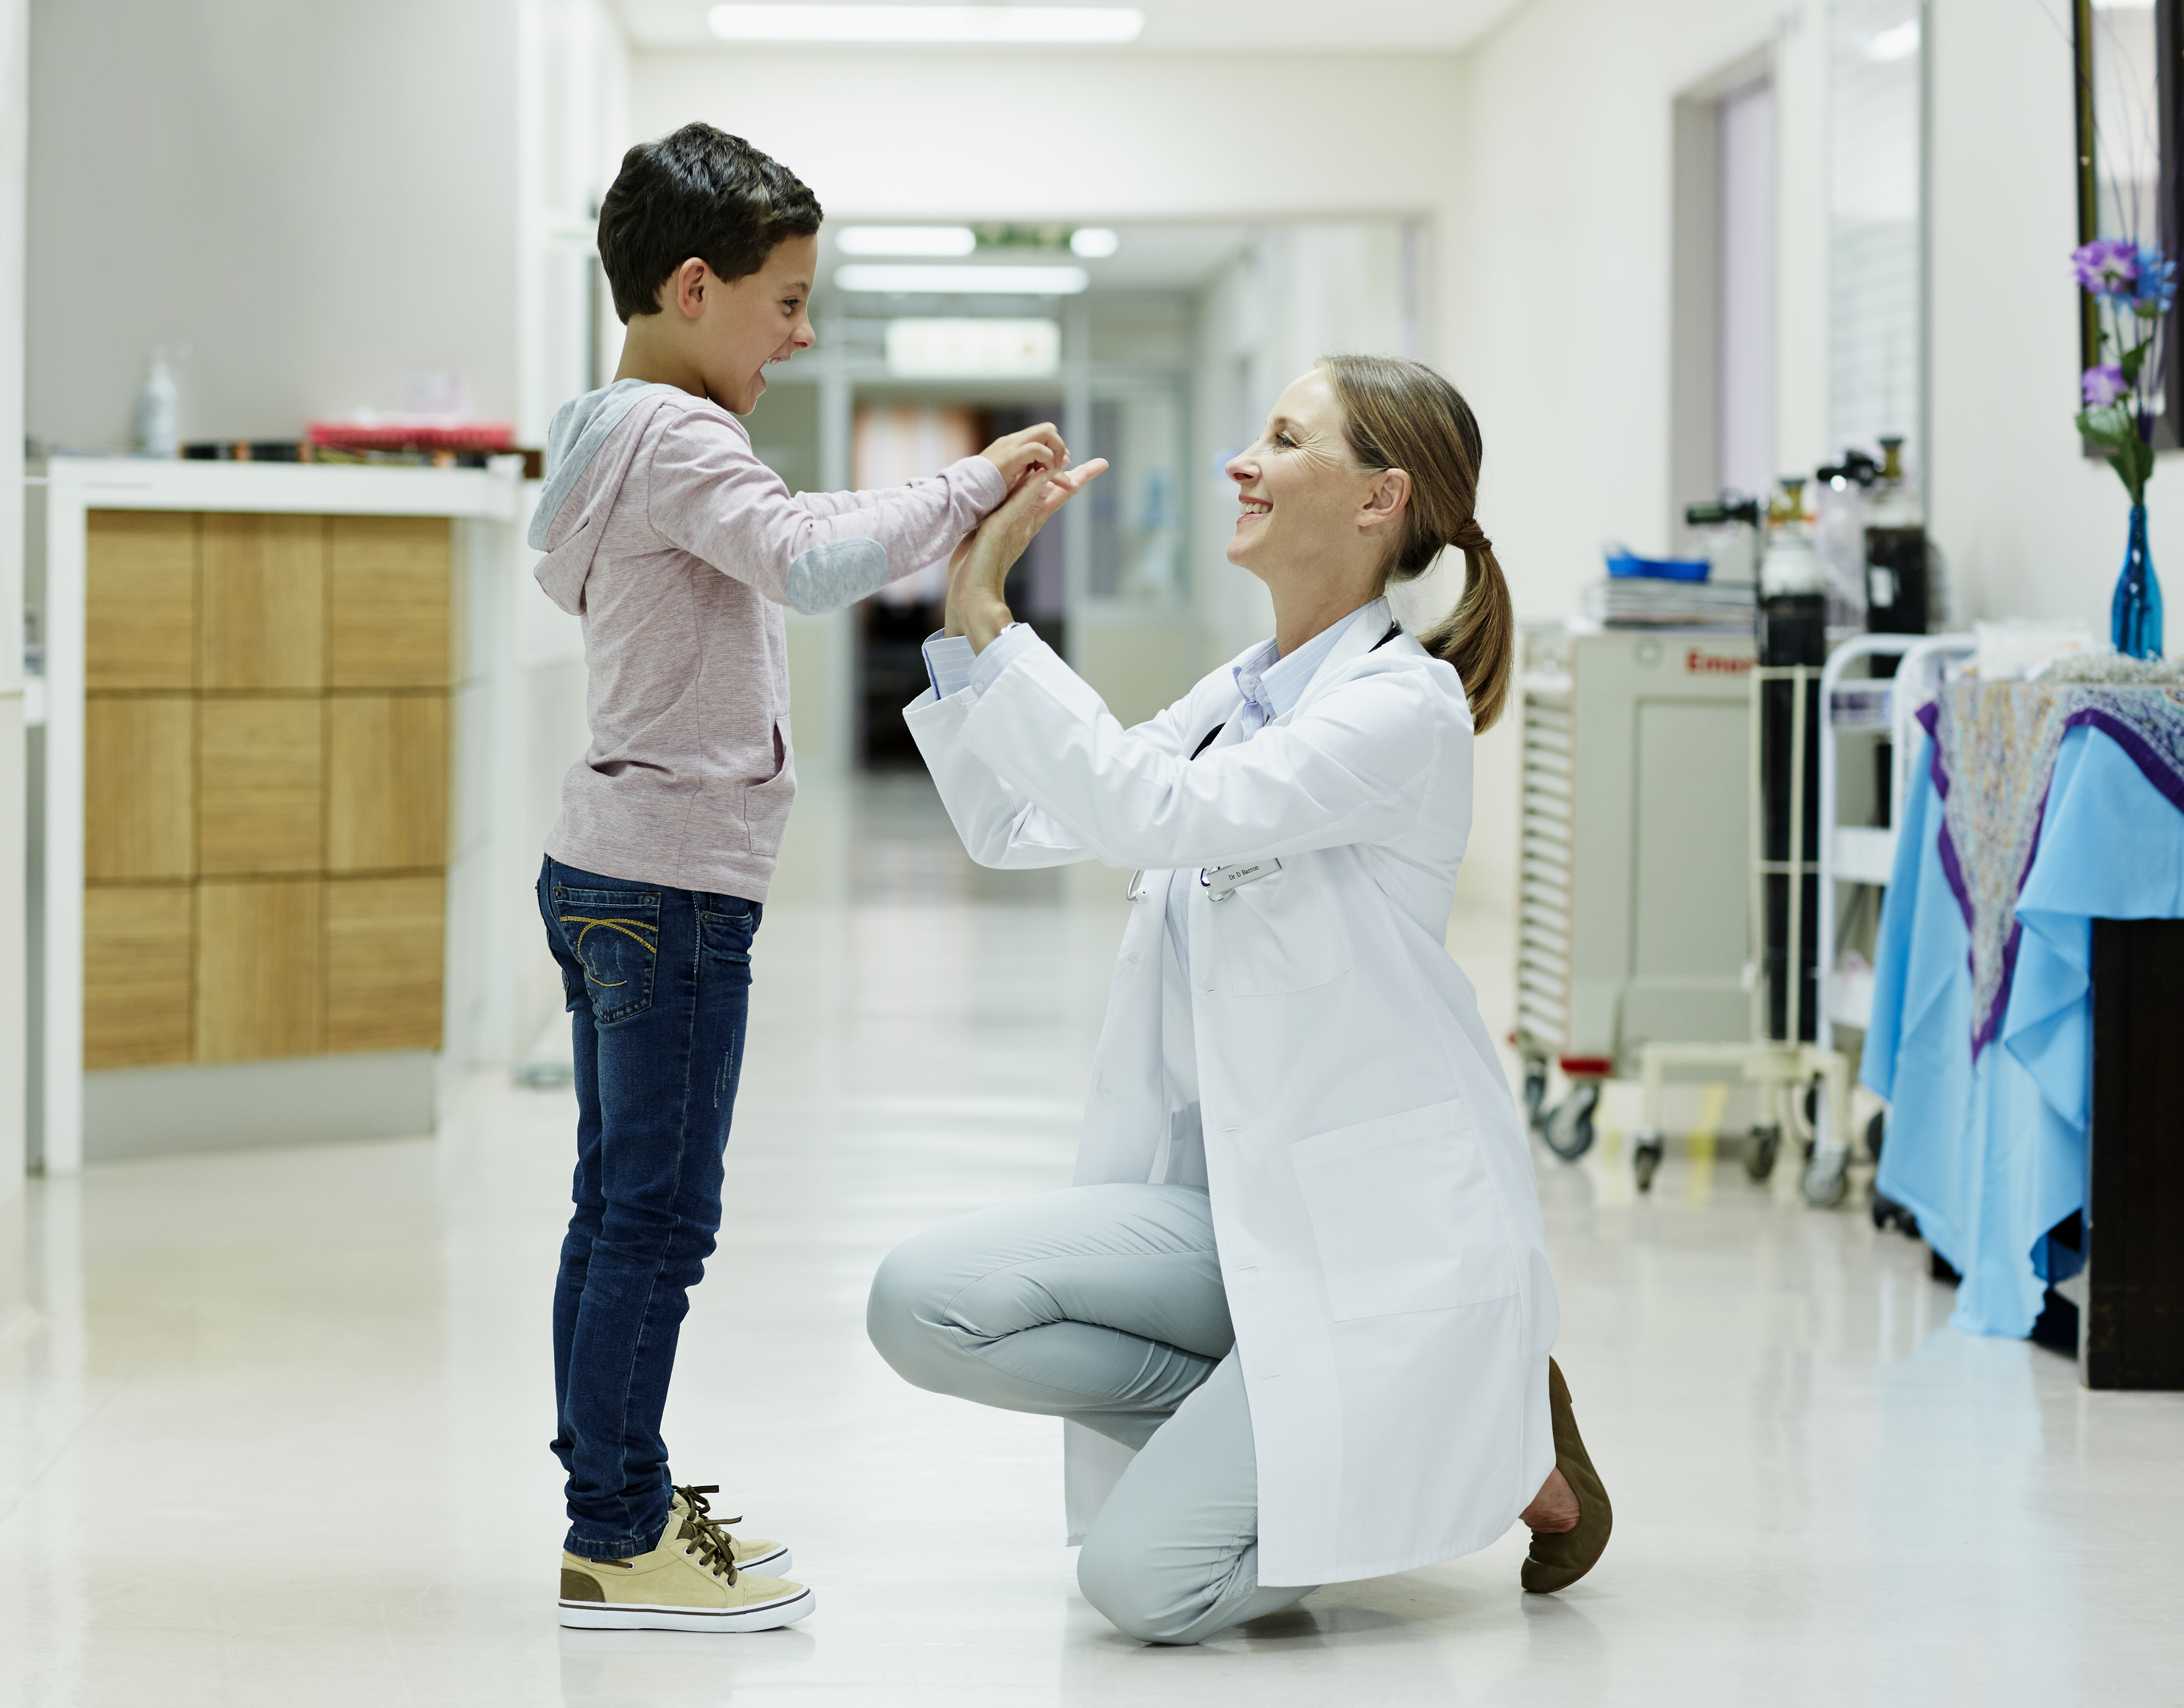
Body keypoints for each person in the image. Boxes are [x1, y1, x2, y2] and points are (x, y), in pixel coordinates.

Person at [867, 356, 1613, 1645]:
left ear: (1380, 499)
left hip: (1379, 1246)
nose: (1241, 462)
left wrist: (998, 616)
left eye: (1283, 438)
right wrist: (962, 614)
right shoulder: (1241, 697)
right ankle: (1304, 1423)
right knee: (921, 1303)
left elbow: (1158, 813)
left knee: (1145, 1587)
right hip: (1240, 1220)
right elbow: (1023, 819)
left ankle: (1492, 1447)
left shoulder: (1401, 710)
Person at [533, 122, 1069, 1634]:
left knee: (612, 1212)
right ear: (693, 288)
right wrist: (969, 486)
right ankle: (614, 1534)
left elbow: (797, 534)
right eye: (785, 299)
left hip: (612, 868)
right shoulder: (681, 437)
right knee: (656, 1222)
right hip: (671, 887)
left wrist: (949, 496)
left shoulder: (616, 433)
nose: (802, 330)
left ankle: (612, 1498)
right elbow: (814, 563)